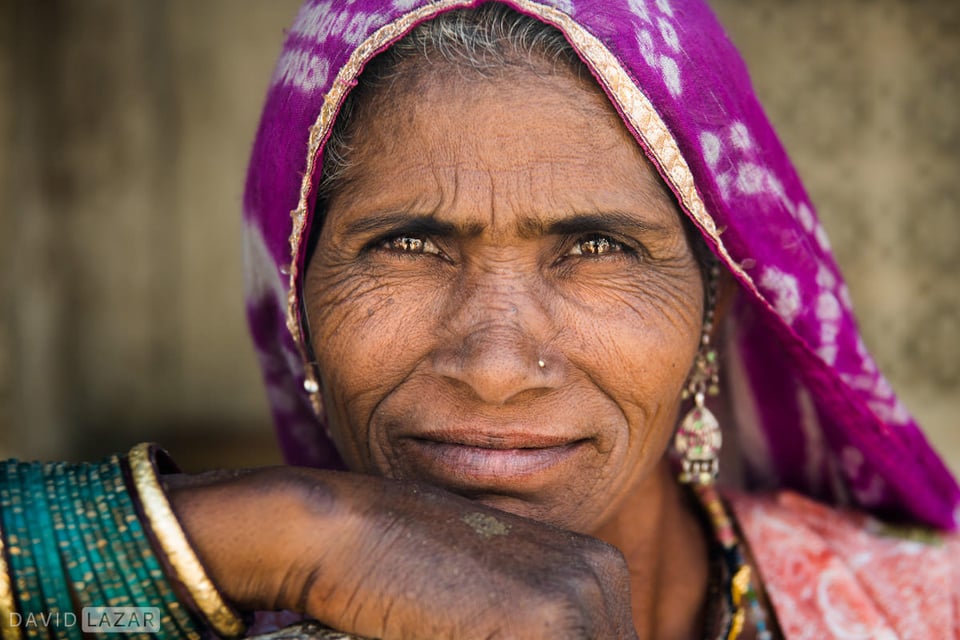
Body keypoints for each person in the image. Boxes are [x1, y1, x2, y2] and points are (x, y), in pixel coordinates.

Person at [1, 1, 958, 639]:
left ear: (713, 314)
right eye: (407, 246)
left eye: (599, 249)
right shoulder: (146, 608)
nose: (496, 367)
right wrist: (305, 534)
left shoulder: (920, 614)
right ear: (299, 306)